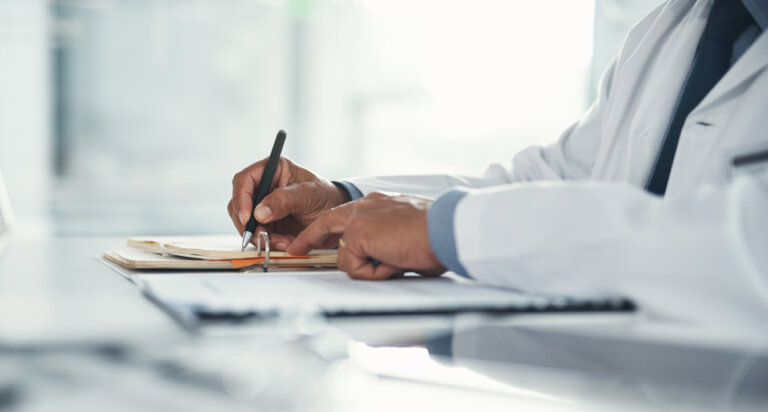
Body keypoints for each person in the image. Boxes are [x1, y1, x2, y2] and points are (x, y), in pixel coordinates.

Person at [228, 0, 768, 329]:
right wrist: (345, 204)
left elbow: (746, 240)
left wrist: (448, 230)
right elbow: (548, 184)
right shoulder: (670, 29)